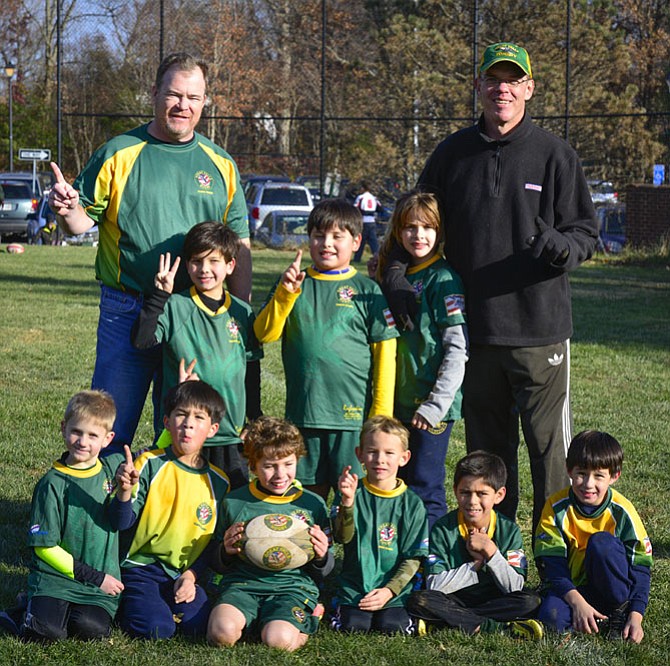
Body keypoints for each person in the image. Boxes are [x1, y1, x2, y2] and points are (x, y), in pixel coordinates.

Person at [381, 42, 598, 535]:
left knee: (550, 456)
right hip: (473, 335)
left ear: (529, 88)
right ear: (479, 86)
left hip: (539, 332)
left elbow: (586, 233)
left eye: (513, 79)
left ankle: (556, 553)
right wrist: (394, 274)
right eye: (493, 79)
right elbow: (413, 220)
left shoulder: (554, 155)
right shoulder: (452, 154)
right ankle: (495, 551)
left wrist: (561, 247)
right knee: (488, 459)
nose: (503, 88)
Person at [47, 52, 251, 456]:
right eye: (174, 94)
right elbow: (80, 223)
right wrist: (68, 207)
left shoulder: (221, 164)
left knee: (185, 436)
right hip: (128, 309)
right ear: (155, 93)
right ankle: (99, 514)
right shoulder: (119, 151)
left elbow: (239, 246)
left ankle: (167, 516)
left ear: (205, 102)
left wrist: (237, 316)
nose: (183, 105)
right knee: (108, 426)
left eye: (193, 97)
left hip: (196, 316)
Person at [254, 198, 399, 499]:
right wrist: (285, 294)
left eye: (337, 236)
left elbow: (386, 352)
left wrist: (381, 415)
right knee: (308, 500)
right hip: (303, 416)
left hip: (351, 420)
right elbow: (264, 334)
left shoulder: (367, 290)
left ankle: (352, 546)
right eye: (319, 235)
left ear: (357, 241)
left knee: (354, 499)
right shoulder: (294, 283)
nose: (326, 243)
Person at [131, 221, 261, 488]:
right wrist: (159, 295)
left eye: (213, 261)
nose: (204, 269)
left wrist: (254, 417)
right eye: (196, 261)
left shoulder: (242, 312)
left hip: (230, 435)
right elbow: (142, 341)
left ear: (230, 266)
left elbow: (252, 364)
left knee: (230, 510)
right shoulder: (176, 305)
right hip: (183, 434)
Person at [112, 380, 230, 639]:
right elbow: (121, 524)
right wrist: (123, 493)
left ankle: (161, 603)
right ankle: (121, 603)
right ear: (167, 422)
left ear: (212, 429)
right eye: (181, 414)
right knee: (158, 629)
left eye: (199, 417)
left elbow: (211, 544)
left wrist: (191, 576)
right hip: (139, 568)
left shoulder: (220, 483)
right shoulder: (149, 464)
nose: (188, 423)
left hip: (182, 573)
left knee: (198, 627)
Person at [377, 190, 467, 526]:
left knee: (425, 486)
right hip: (397, 403)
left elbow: (457, 350)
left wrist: (435, 404)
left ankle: (431, 561)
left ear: (439, 231)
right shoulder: (394, 275)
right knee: (393, 483)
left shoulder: (444, 280)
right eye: (411, 227)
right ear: (399, 232)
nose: (419, 235)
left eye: (427, 227)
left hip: (431, 409)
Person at [207, 416, 333, 652]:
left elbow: (326, 567)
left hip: (292, 588)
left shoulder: (312, 505)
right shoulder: (235, 502)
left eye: (288, 464)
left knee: (278, 642)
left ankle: (310, 617)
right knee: (220, 634)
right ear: (252, 466)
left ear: (297, 460)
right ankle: (254, 618)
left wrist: (322, 555)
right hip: (243, 584)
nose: (280, 474)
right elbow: (216, 562)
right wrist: (224, 551)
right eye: (269, 465)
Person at [20, 390, 123, 642]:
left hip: (96, 586)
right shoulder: (51, 484)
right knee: (47, 632)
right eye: (76, 431)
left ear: (108, 438)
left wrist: (179, 393)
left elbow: (162, 451)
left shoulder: (115, 468)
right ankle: (21, 610)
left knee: (92, 630)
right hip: (55, 578)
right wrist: (98, 578)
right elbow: (44, 548)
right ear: (64, 428)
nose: (83, 442)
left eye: (93, 435)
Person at [407, 451, 543, 639]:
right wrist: (475, 565)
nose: (472, 502)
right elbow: (434, 585)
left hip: (494, 598)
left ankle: (449, 622)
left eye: (482, 494)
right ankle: (494, 627)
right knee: (420, 599)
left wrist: (491, 552)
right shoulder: (443, 529)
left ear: (499, 495)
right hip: (454, 598)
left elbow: (515, 587)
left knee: (531, 601)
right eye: (465, 492)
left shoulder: (508, 530)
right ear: (455, 490)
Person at [534, 430, 652, 643]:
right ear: (569, 470)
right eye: (581, 473)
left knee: (601, 543)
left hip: (613, 589)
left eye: (598, 475)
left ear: (614, 476)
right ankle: (591, 613)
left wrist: (636, 614)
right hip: (572, 588)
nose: (588, 484)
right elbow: (553, 565)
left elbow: (641, 566)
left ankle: (618, 610)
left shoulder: (623, 511)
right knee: (551, 619)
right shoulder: (555, 507)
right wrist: (577, 603)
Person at [331, 415, 428, 634]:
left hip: (395, 590)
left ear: (404, 458)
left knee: (392, 628)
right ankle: (339, 606)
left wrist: (389, 591)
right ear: (360, 454)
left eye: (389, 453)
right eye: (372, 451)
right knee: (354, 627)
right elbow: (341, 537)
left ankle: (402, 612)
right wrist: (347, 504)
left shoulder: (412, 504)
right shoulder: (351, 493)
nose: (380, 459)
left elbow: (413, 558)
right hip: (355, 587)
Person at [353, 180, 380, 263]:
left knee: (361, 240)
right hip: (372, 221)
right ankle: (378, 257)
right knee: (374, 242)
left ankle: (357, 259)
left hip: (363, 221)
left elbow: (355, 208)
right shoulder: (374, 198)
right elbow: (380, 208)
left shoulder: (361, 197)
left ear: (363, 188)